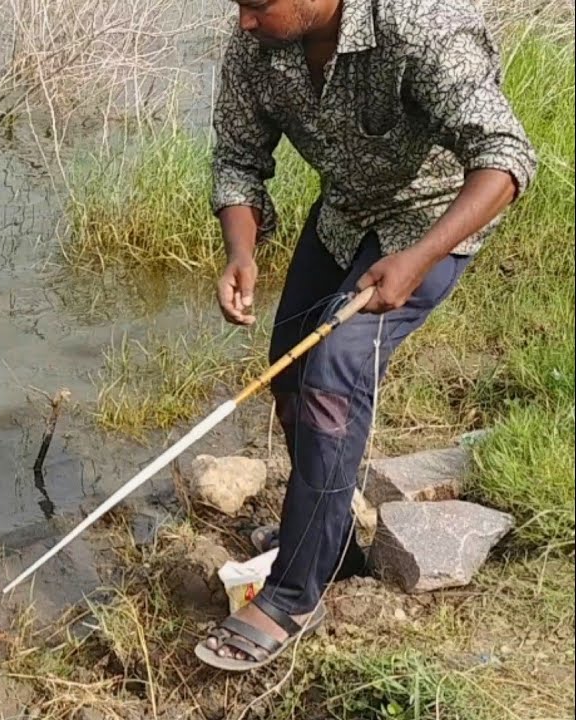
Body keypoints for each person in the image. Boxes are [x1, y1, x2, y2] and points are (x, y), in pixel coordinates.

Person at [197, 0, 537, 671]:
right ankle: (333, 543)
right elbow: (238, 158)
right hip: (347, 215)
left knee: (334, 372)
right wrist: (242, 249)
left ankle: (293, 595)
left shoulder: (422, 25)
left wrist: (417, 261)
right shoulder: (257, 44)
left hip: (434, 222)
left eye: (257, 6)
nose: (243, 22)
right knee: (289, 374)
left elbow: (505, 158)